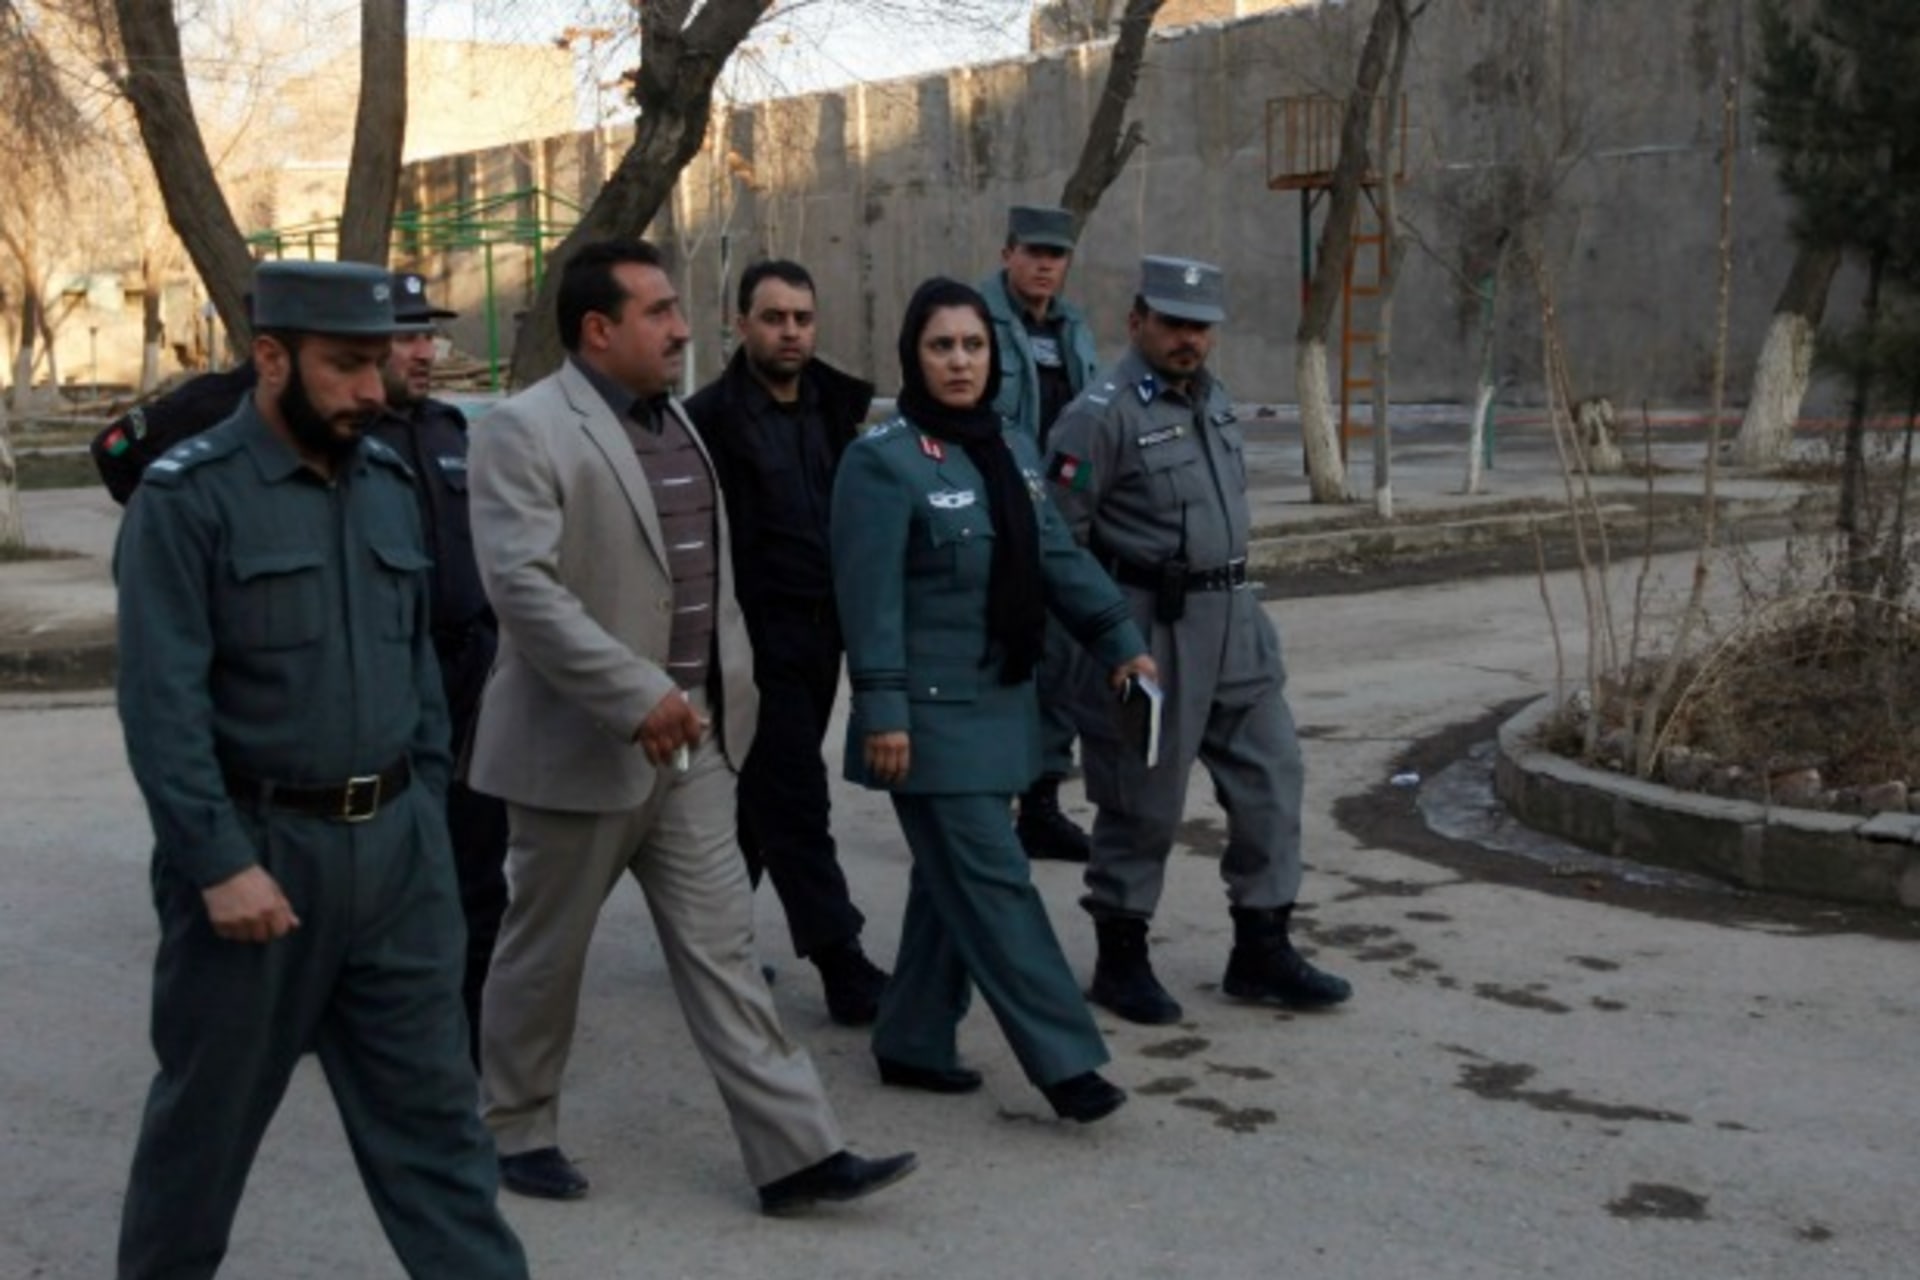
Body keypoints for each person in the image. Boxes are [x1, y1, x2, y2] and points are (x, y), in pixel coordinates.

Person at [465, 238, 915, 1214]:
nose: (680, 328)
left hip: (695, 745)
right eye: (660, 311)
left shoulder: (678, 424)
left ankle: (796, 1150)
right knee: (543, 957)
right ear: (599, 328)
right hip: (581, 748)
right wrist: (636, 695)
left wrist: (723, 696)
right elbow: (525, 593)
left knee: (722, 950)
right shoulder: (523, 430)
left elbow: (710, 578)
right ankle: (516, 1125)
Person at [112, 259, 527, 1279]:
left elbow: (421, 674)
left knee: (441, 1142)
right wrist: (216, 861)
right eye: (346, 365)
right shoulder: (189, 498)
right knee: (199, 1147)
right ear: (270, 356)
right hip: (257, 870)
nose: (373, 390)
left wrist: (424, 824)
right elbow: (162, 705)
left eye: (380, 364)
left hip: (394, 866)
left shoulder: (387, 481)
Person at [830, 277, 1155, 1123]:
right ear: (914, 355)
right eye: (942, 346)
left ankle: (912, 1038)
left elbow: (1058, 560)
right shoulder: (881, 459)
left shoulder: (1008, 448)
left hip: (1000, 706)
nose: (960, 361)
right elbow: (869, 603)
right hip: (926, 720)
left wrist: (1120, 641)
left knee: (952, 885)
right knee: (998, 881)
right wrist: (885, 709)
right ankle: (1067, 1062)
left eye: (974, 345)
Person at [1045, 256, 1354, 1026]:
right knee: (1142, 803)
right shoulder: (1100, 414)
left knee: (1273, 779)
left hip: (1236, 623)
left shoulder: (1214, 402)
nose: (1189, 339)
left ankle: (1262, 947)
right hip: (1150, 628)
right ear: (1137, 320)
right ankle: (1121, 958)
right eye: (1174, 323)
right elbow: (1057, 542)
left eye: (1201, 326)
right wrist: (1103, 644)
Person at [682, 259, 889, 1027]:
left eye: (802, 317)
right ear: (741, 324)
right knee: (795, 799)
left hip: (824, 634)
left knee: (757, 809)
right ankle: (842, 962)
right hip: (751, 642)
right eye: (774, 318)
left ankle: (706, 941)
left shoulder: (838, 407)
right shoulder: (706, 420)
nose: (791, 331)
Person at [366, 270, 508, 1067]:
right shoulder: (351, 444)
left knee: (480, 860)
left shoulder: (453, 431)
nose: (423, 351)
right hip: (393, 682)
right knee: (393, 868)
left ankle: (466, 1021)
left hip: (471, 676)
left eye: (427, 334)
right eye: (405, 336)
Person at [980, 205, 1103, 864]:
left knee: (1060, 668)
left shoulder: (1074, 326)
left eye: (1057, 256)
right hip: (998, 515)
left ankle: (1044, 805)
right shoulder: (973, 319)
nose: (1046, 265)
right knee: (1000, 664)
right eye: (1034, 252)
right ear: (1008, 253)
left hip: (1063, 516)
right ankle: (985, 808)